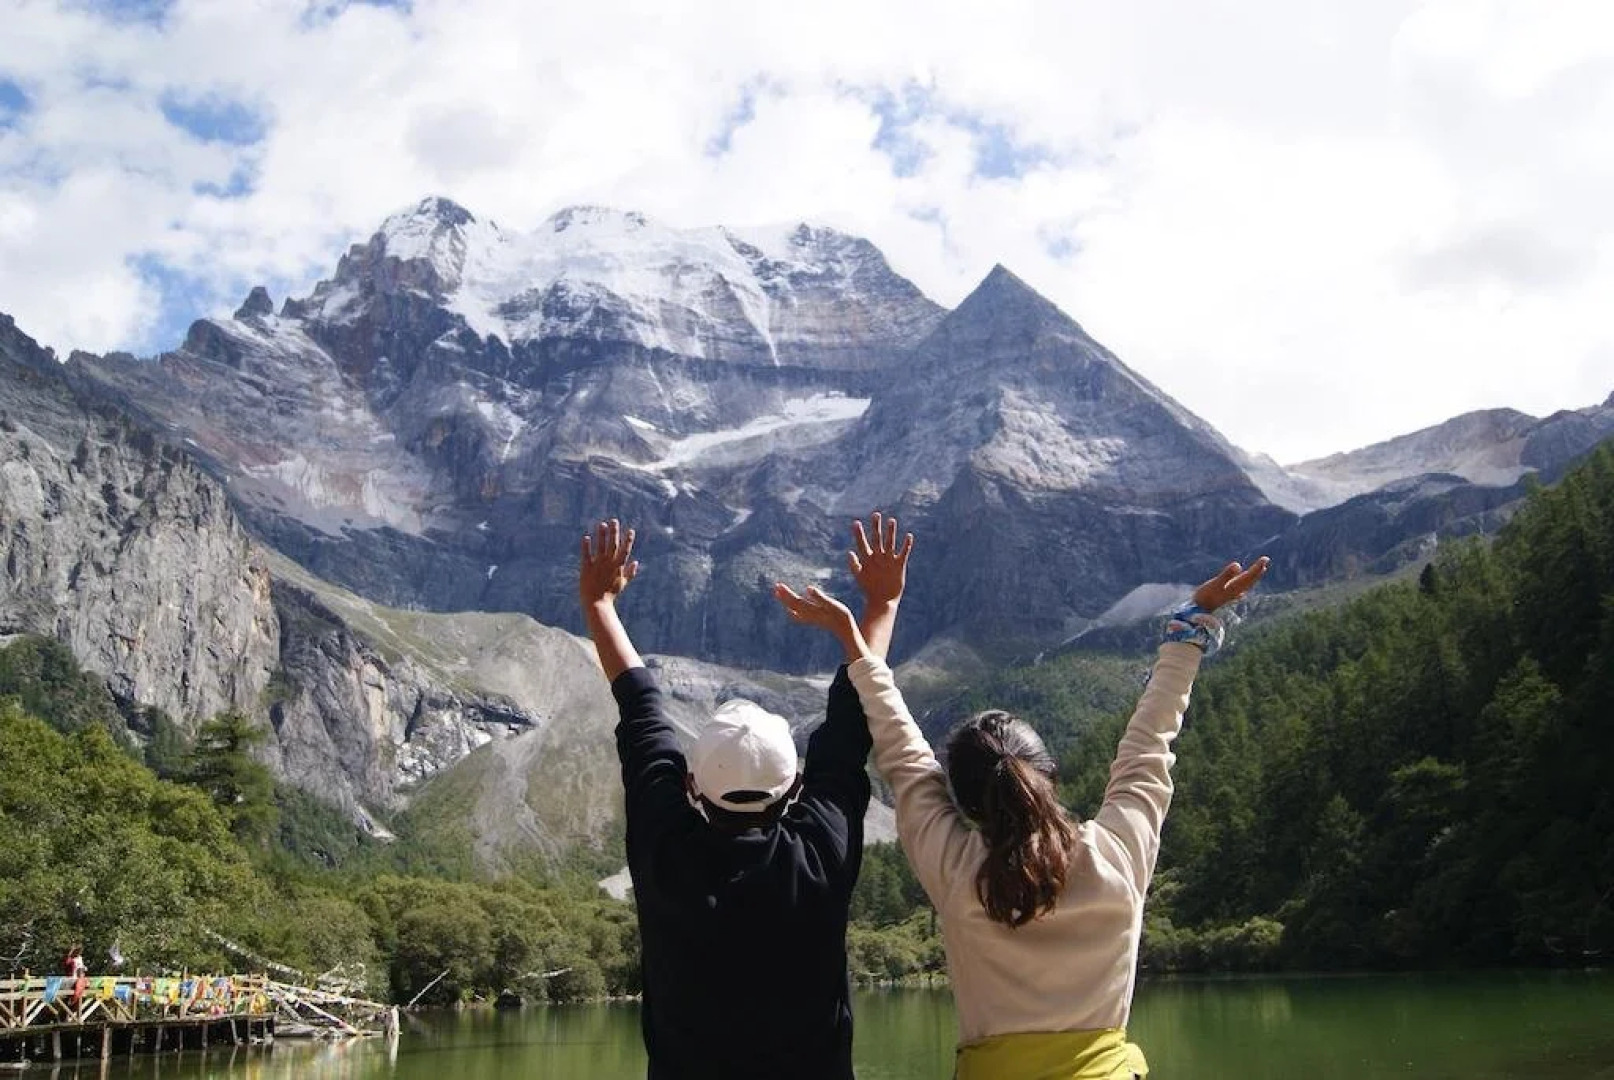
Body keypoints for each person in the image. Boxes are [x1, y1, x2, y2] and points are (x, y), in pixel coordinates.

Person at [776, 517, 1269, 1080]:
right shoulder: (1117, 857)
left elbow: (904, 756)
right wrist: (1187, 631)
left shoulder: (959, 870)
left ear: (962, 801)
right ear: (1049, 776)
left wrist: (860, 643)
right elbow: (1149, 746)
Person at [580, 515, 907, 1080]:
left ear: (691, 787)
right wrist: (884, 601)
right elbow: (854, 715)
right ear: (795, 790)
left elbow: (640, 707)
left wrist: (599, 604)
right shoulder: (821, 853)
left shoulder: (665, 852)